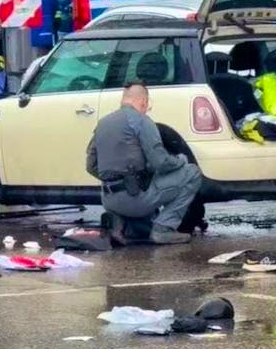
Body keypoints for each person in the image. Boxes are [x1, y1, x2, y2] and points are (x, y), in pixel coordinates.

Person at [86, 83, 203, 245]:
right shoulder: (142, 121)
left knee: (145, 186)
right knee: (192, 172)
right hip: (135, 199)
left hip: (109, 200)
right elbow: (160, 162)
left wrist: (116, 179)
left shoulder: (103, 123)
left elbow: (90, 165)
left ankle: (124, 224)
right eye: (147, 105)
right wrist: (180, 160)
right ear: (143, 101)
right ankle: (164, 229)